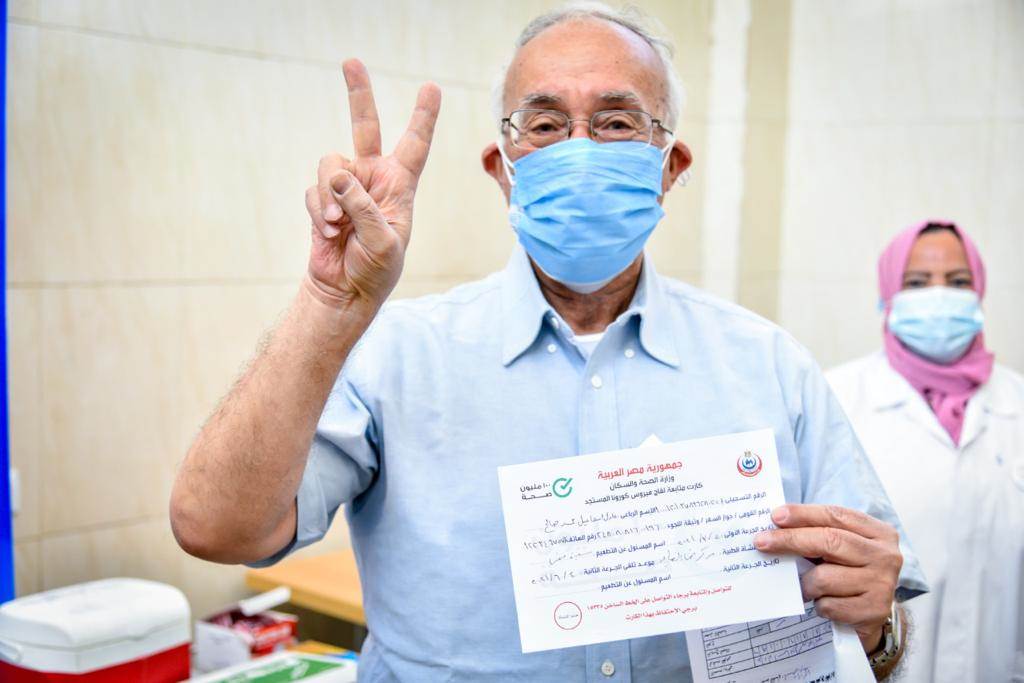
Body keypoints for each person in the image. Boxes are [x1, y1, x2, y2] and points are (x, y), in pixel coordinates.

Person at [170, 4, 926, 680]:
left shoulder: (770, 365)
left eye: (617, 122)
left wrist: (879, 624)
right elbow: (214, 528)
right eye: (544, 124)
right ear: (503, 169)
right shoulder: (395, 356)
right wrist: (329, 302)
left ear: (671, 166)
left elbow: (875, 635)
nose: (580, 148)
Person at [827, 221, 1024, 682]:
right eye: (917, 283)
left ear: (979, 293)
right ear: (888, 296)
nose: (939, 295)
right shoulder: (837, 398)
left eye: (957, 281)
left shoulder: (1018, 402)